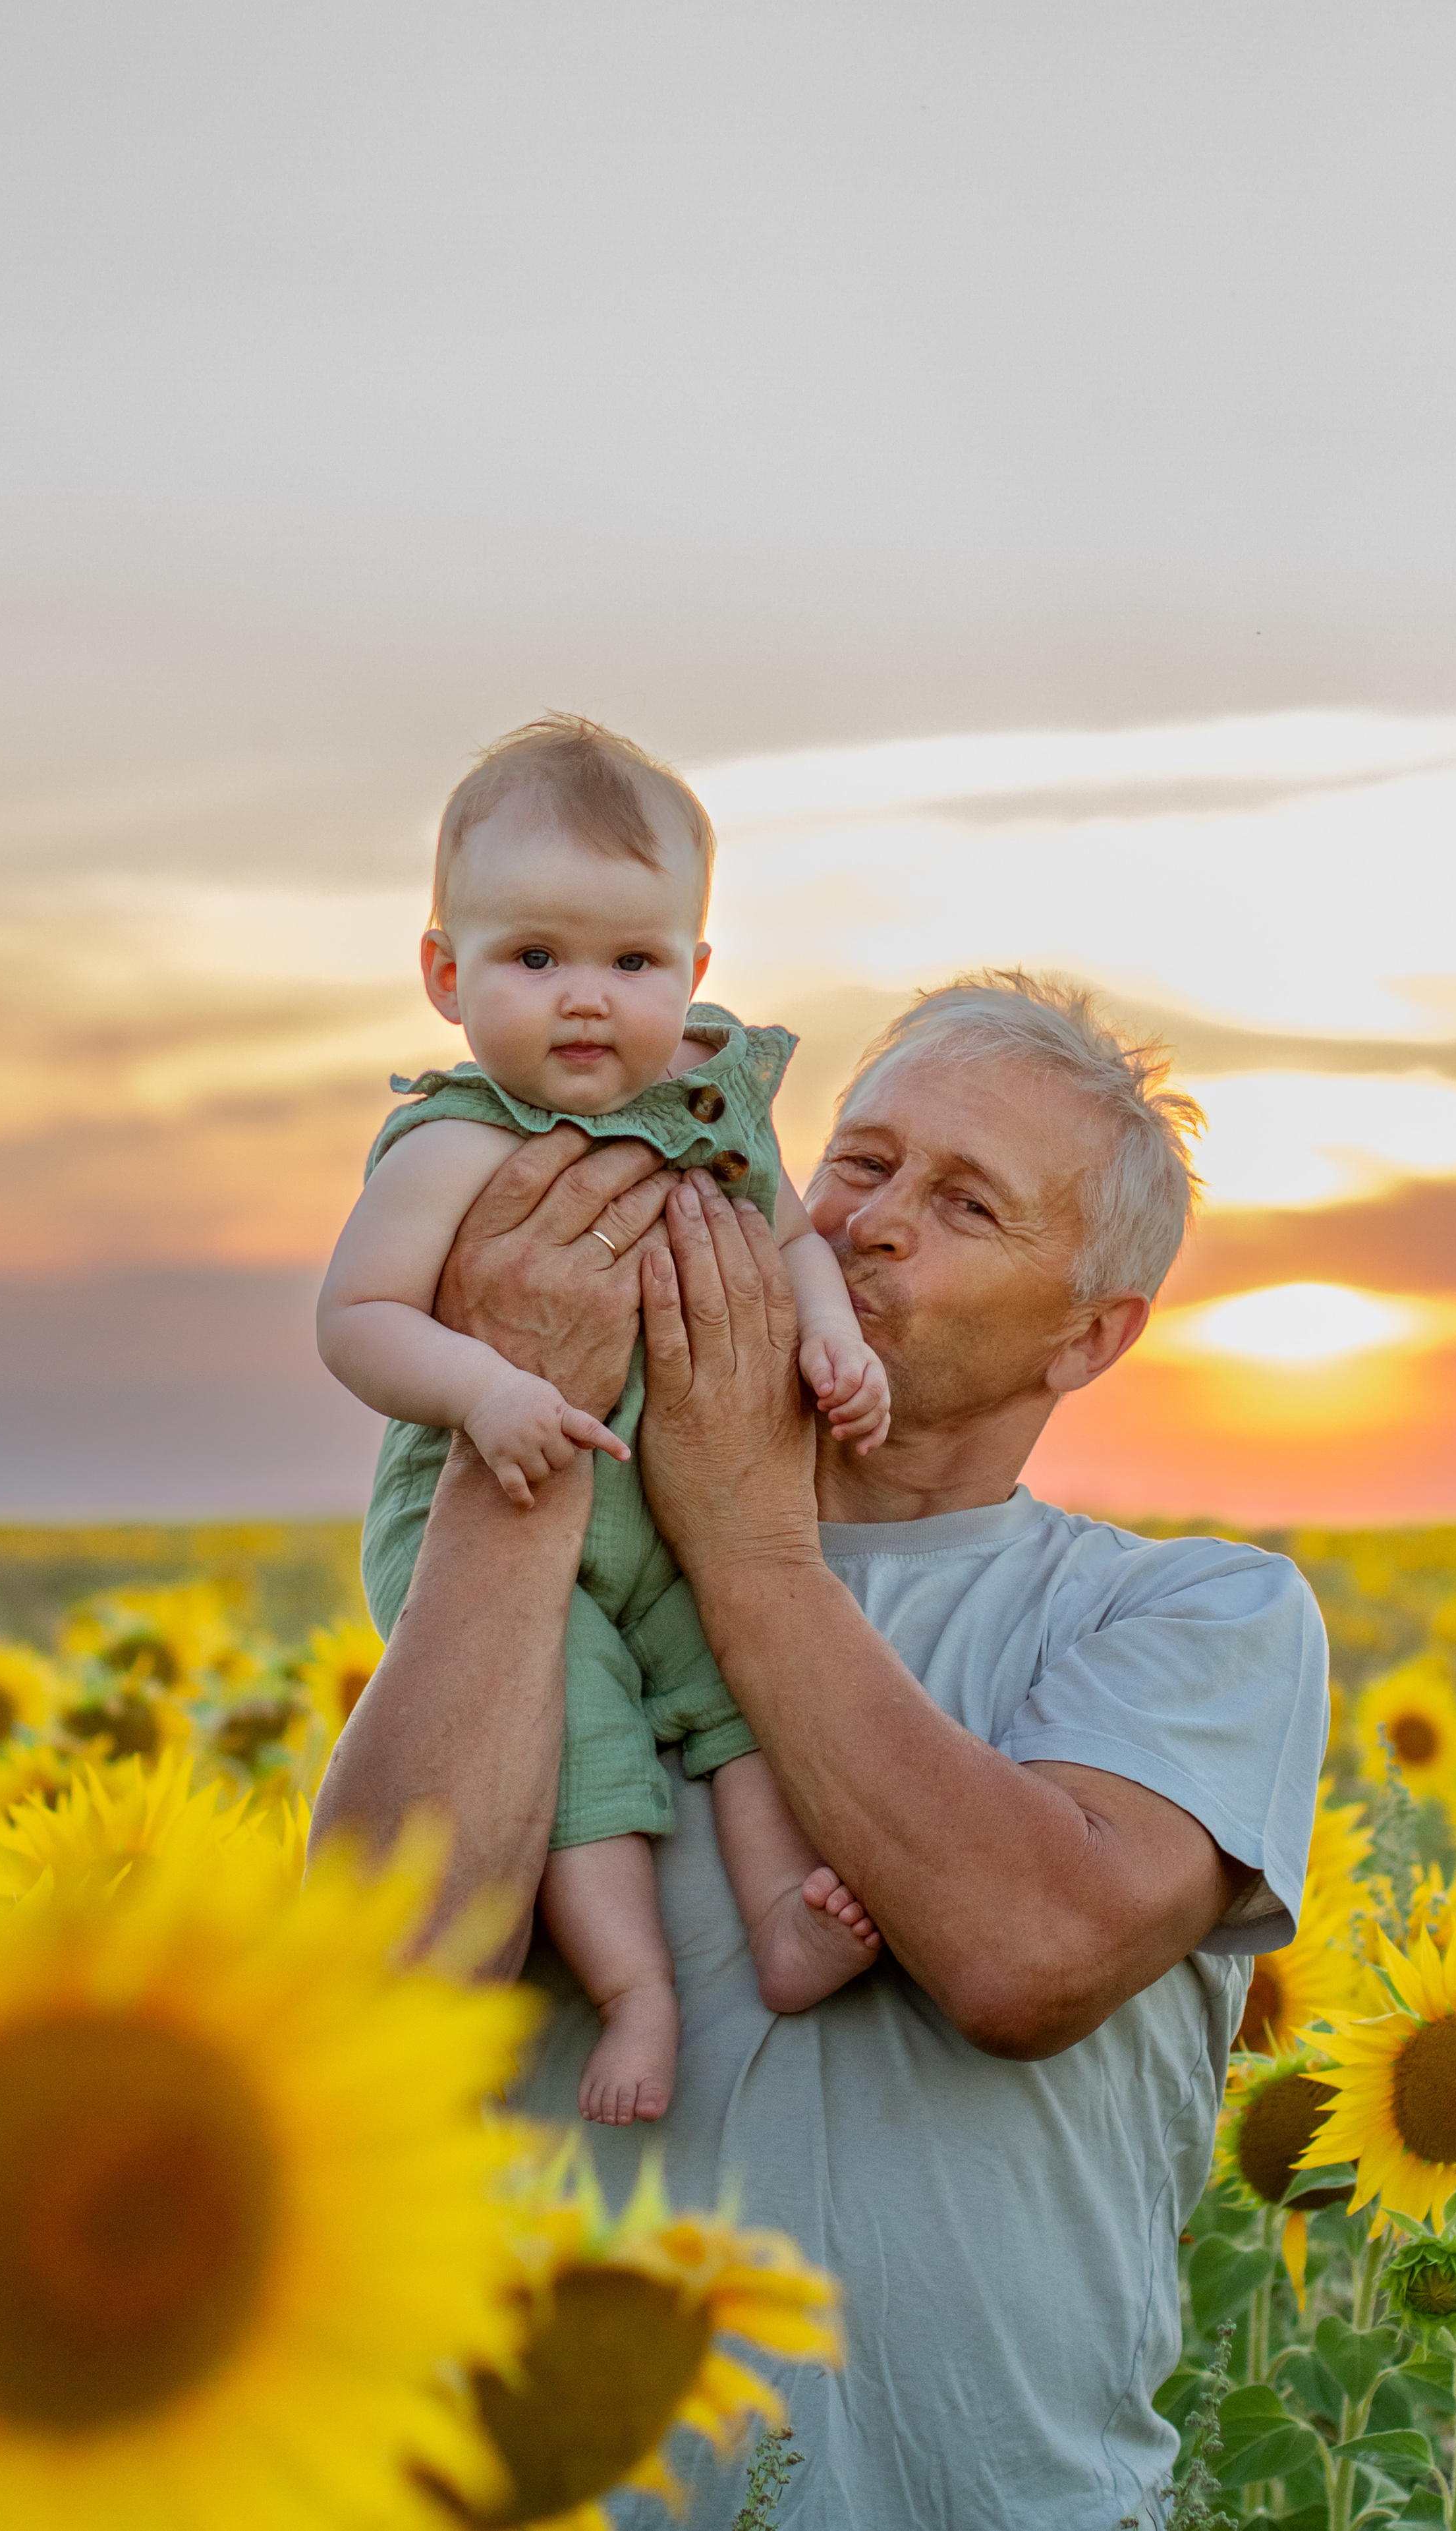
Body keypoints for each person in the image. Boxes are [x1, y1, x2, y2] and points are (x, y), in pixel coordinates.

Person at [312, 970, 1329, 2531]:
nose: (871, 1221)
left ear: (1087, 1337)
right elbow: (380, 1987)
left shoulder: (1191, 1615)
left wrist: (746, 1541)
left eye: (966, 1203)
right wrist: (533, 1438)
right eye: (859, 1161)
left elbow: (1025, 1952)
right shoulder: (563, 1568)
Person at [317, 716, 890, 2126]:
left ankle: (781, 1916)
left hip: (687, 1503)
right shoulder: (453, 1137)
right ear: (446, 975)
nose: (587, 999)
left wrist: (828, 1333)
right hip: (505, 1495)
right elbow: (360, 1319)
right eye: (534, 959)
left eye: (631, 962)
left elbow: (794, 1239)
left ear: (693, 973)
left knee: (741, 1684)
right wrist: (487, 1388)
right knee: (571, 1733)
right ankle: (634, 1988)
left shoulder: (716, 1111)